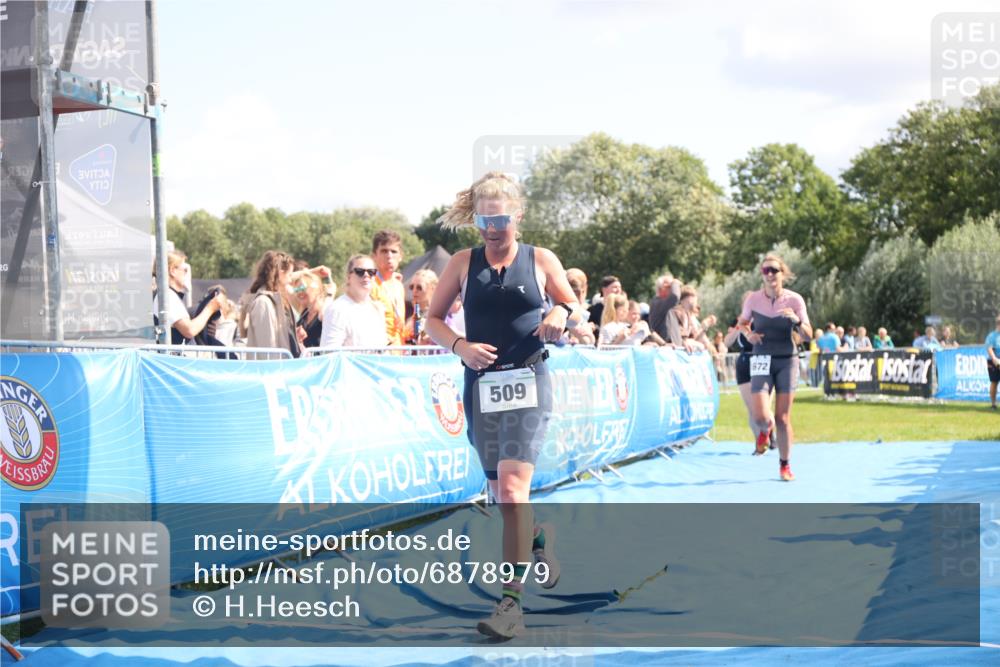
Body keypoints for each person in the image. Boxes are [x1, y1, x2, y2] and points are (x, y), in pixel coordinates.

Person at [425, 171, 582, 639]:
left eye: (501, 218)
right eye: (483, 219)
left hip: (529, 382)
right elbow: (433, 319)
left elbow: (572, 302)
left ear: (519, 215)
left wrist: (560, 311)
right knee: (501, 499)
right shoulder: (460, 262)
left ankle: (510, 605)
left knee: (514, 492)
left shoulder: (541, 259)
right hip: (480, 387)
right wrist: (459, 347)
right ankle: (539, 539)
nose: (492, 229)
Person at [738, 253, 812, 481]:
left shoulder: (795, 300)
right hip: (761, 358)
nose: (770, 274)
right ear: (762, 275)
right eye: (765, 271)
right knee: (761, 416)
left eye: (774, 270)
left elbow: (808, 335)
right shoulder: (753, 299)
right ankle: (764, 431)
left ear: (782, 274)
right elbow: (742, 323)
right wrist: (748, 334)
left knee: (782, 418)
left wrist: (797, 321)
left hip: (787, 359)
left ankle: (785, 465)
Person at [152, 250, 226, 345]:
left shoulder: (164, 295)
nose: (186, 274)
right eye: (185, 270)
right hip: (172, 358)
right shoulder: (167, 296)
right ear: (172, 271)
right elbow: (189, 330)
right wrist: (210, 308)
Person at [240, 250, 300, 357]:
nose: (291, 280)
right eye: (290, 275)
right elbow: (267, 347)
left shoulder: (275, 299)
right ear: (280, 272)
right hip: (273, 369)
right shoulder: (263, 303)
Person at [320, 255, 388, 348]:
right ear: (348, 277)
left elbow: (383, 350)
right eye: (360, 271)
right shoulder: (337, 310)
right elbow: (329, 354)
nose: (366, 275)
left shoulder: (377, 309)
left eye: (371, 272)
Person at [371, 230, 407, 345]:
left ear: (400, 256)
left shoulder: (399, 285)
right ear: (374, 256)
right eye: (384, 251)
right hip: (378, 350)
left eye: (394, 251)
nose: (389, 256)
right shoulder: (369, 284)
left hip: (398, 351)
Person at [291, 270, 331, 349]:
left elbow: (324, 314)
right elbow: (283, 281)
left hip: (320, 360)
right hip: (305, 360)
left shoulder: (324, 310)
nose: (299, 293)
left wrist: (330, 294)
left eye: (302, 288)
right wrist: (311, 271)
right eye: (297, 290)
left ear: (317, 289)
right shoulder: (304, 313)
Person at [666, 286, 711, 352]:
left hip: (682, 348)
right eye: (695, 299)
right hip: (675, 348)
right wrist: (685, 341)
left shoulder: (688, 314)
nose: (696, 303)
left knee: (703, 346)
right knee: (700, 346)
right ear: (688, 299)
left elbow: (695, 338)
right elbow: (678, 337)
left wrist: (703, 329)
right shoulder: (677, 312)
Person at [405, 269, 438, 345]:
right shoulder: (406, 311)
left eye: (419, 287)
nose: (414, 290)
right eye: (412, 287)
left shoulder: (439, 314)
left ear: (432, 289)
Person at [648, 273, 682, 341]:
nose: (673, 289)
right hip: (664, 347)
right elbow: (675, 296)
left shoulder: (668, 306)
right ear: (661, 289)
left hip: (673, 347)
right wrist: (675, 283)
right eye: (670, 287)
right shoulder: (656, 303)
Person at [986, 315, 1000, 410]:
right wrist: (994, 359)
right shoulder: (992, 336)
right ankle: (993, 404)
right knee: (994, 382)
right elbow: (989, 348)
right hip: (993, 361)